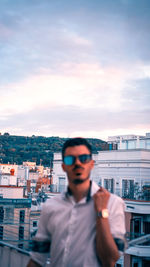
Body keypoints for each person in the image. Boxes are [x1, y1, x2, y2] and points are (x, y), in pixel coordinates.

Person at [27, 137, 126, 267]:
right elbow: (37, 259)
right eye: (70, 159)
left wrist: (102, 212)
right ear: (63, 166)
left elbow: (110, 260)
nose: (78, 163)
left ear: (91, 164)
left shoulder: (113, 204)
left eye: (83, 158)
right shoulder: (50, 206)